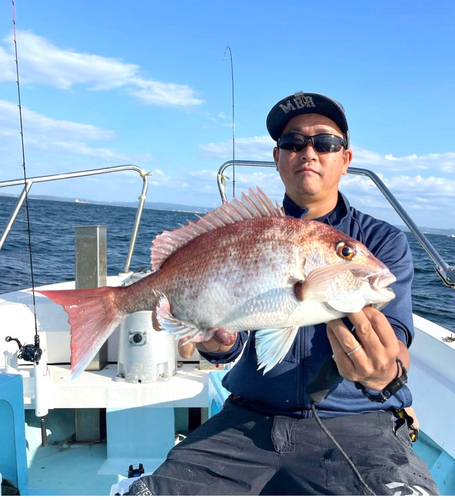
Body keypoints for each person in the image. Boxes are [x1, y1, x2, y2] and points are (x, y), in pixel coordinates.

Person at [127, 92, 439, 495]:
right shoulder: (245, 232)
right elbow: (228, 346)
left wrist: (384, 371)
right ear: (278, 158)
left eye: (325, 143)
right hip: (247, 417)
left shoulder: (382, 241)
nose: (308, 152)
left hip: (359, 422)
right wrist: (217, 343)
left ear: (345, 158)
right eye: (293, 143)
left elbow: (397, 341)